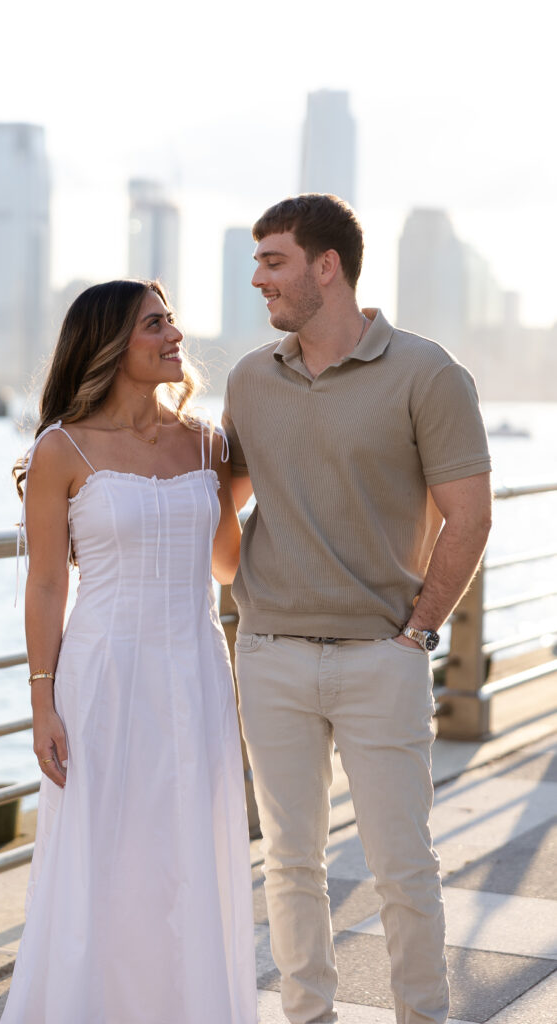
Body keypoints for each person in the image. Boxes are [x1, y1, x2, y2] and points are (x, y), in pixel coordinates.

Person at [222, 194, 493, 1024]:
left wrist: (418, 629)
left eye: (273, 260)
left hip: (381, 654)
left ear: (325, 266)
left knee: (401, 867)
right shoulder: (248, 378)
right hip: (269, 652)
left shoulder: (425, 371)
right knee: (289, 864)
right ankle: (309, 1017)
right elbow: (214, 498)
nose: (258, 277)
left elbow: (469, 514)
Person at [0, 280, 257, 1024]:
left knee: (186, 853)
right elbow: (47, 583)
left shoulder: (207, 442)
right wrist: (41, 700)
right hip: (102, 676)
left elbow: (229, 566)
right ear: (110, 344)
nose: (175, 333)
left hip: (197, 671)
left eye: (171, 319)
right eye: (155, 323)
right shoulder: (62, 448)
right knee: (104, 859)